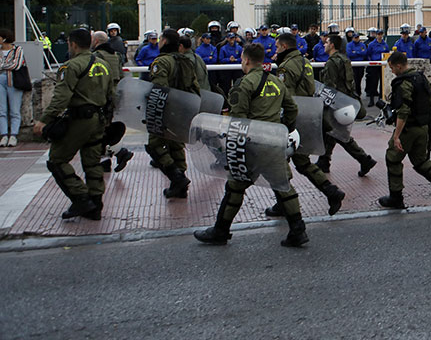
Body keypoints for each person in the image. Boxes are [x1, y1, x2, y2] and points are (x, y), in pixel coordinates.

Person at [194, 42, 308, 247]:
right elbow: (292, 109)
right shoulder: (276, 82)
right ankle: (298, 230)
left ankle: (220, 230)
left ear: (245, 60)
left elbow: (238, 121)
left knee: (235, 186)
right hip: (273, 143)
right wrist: (284, 129)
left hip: (252, 145)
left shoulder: (244, 84)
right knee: (283, 185)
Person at [32, 28, 113, 220]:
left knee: (57, 160)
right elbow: (111, 93)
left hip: (80, 120)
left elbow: (61, 97)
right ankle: (96, 205)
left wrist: (44, 120)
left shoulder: (70, 66)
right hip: (98, 119)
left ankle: (81, 199)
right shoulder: (103, 64)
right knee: (92, 162)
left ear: (73, 44)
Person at [264, 33, 345, 218]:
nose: (276, 51)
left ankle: (284, 204)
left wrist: (282, 123)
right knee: (302, 162)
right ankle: (331, 192)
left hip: (292, 120)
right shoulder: (305, 62)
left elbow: (286, 98)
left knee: (277, 163)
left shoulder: (285, 67)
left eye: (277, 47)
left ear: (284, 47)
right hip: (307, 115)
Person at [378, 51, 431, 210]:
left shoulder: (403, 83)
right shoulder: (421, 78)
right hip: (423, 127)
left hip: (408, 129)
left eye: (392, 68)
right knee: (421, 161)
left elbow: (403, 112)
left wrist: (396, 136)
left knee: (393, 158)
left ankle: (396, 197)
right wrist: (429, 126)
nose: (392, 71)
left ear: (399, 66)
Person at [145, 29, 200, 199]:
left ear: (166, 41)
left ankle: (177, 178)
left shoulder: (161, 62)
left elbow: (159, 89)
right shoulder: (187, 61)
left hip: (165, 110)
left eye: (161, 38)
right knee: (177, 146)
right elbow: (195, 87)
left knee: (154, 145)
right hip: (182, 110)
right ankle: (180, 187)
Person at [314, 34, 377, 176]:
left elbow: (329, 88)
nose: (324, 44)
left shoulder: (332, 62)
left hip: (336, 104)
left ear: (332, 45)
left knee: (340, 135)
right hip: (345, 101)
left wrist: (323, 104)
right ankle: (324, 161)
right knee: (330, 132)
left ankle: (364, 159)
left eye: (327, 42)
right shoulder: (344, 59)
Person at [91, 31, 134, 172]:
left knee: (98, 130)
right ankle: (109, 158)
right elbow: (121, 75)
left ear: (96, 41)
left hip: (103, 95)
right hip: (114, 94)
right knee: (105, 127)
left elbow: (96, 79)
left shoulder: (97, 56)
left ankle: (118, 153)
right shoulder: (115, 56)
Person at [0, 29, 26, 147]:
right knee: (2, 110)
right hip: (0, 81)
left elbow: (17, 64)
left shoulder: (17, 49)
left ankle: (14, 135)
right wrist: (7, 66)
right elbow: (12, 64)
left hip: (13, 81)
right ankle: (4, 135)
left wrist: (2, 66)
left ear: (4, 38)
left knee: (14, 110)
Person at [365, 28, 388, 106]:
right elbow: (368, 54)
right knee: (373, 82)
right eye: (378, 34)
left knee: (382, 82)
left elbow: (387, 54)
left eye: (381, 34)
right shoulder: (371, 44)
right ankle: (371, 100)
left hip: (382, 65)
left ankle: (380, 99)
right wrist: (371, 62)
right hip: (374, 65)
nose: (380, 36)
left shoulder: (385, 44)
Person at [346, 31, 369, 97]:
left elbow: (364, 53)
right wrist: (359, 52)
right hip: (353, 64)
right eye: (355, 37)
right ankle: (357, 92)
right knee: (355, 79)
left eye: (357, 37)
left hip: (361, 64)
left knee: (360, 78)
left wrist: (355, 52)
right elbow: (349, 54)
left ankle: (358, 91)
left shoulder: (362, 45)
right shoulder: (349, 45)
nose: (356, 39)